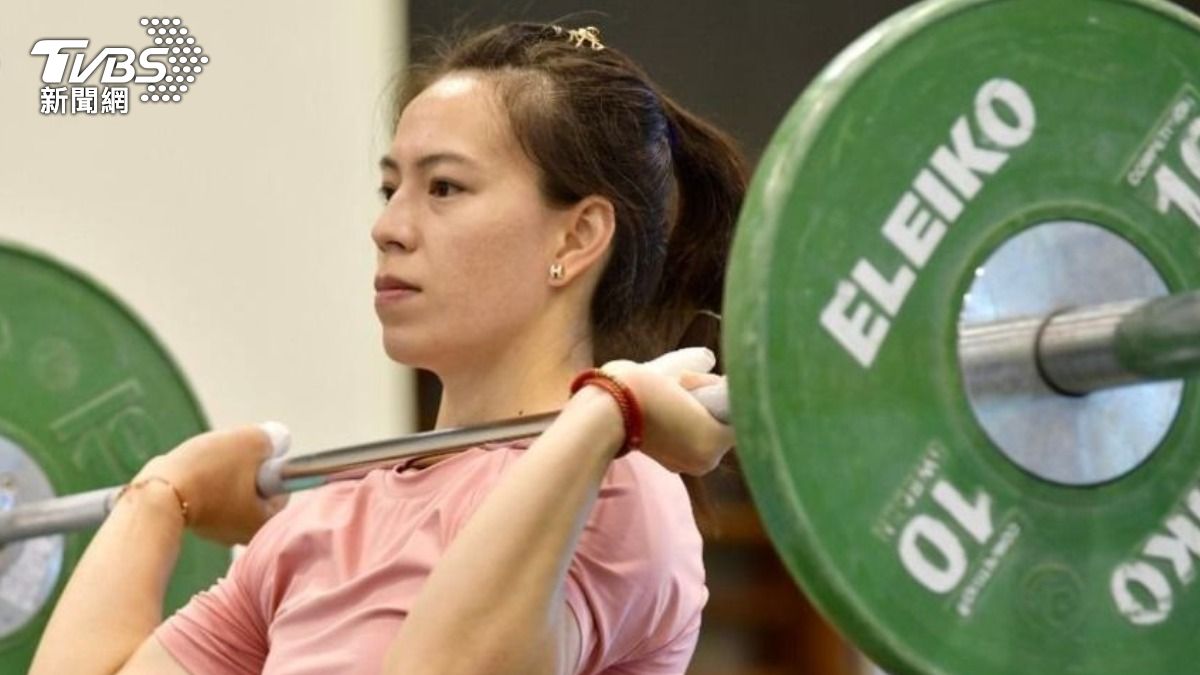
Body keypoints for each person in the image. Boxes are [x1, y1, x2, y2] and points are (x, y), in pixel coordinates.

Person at [31, 21, 745, 675]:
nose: (389, 227)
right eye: (388, 187)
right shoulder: (332, 516)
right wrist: (163, 495)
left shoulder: (616, 492)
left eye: (443, 187)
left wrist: (605, 412)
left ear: (577, 235)